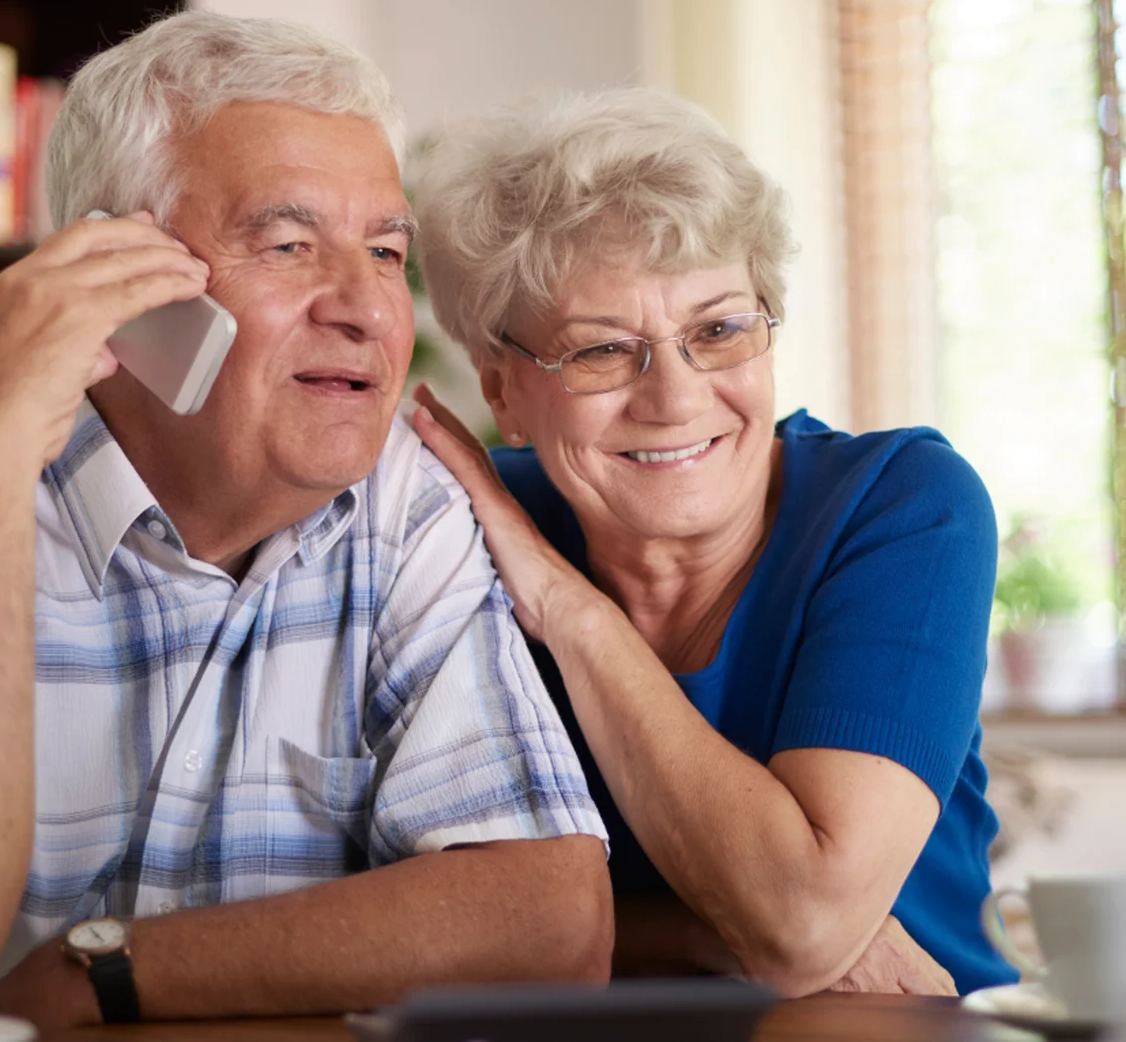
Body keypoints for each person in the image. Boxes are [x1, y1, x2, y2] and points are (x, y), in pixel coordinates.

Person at [0, 13, 612, 1028]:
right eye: (288, 242)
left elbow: (550, 924)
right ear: (115, 283)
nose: (368, 308)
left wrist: (100, 970)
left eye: (386, 251)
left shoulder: (401, 503)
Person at [410, 87, 1016, 997]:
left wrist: (573, 613)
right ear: (503, 394)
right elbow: (381, 893)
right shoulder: (458, 529)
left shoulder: (902, 507)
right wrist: (708, 933)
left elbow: (801, 922)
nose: (676, 398)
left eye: (720, 329)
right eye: (602, 350)